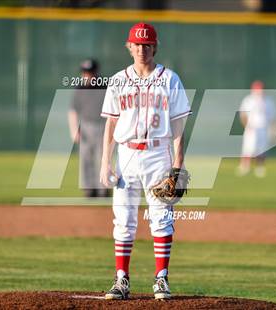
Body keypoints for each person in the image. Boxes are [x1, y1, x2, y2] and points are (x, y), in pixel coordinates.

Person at [99, 22, 191, 300]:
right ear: (129, 47)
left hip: (157, 153)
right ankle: (121, 279)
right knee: (124, 219)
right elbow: (111, 125)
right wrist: (105, 161)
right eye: (137, 44)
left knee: (161, 218)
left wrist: (177, 166)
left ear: (155, 47)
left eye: (147, 44)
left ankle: (161, 279)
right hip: (126, 153)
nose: (142, 49)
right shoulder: (117, 80)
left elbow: (178, 127)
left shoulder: (170, 79)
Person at [68, 59, 109, 197]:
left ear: (96, 72)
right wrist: (74, 130)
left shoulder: (105, 87)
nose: (87, 76)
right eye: (85, 73)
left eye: (90, 73)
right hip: (86, 126)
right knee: (86, 159)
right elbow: (73, 110)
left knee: (103, 158)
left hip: (103, 126)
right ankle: (89, 189)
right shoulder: (80, 89)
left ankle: (103, 189)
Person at [237, 80, 276, 178]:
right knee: (248, 148)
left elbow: (272, 117)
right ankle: (245, 166)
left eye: (261, 90)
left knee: (262, 148)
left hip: (263, 128)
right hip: (251, 128)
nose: (259, 92)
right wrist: (247, 126)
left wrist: (273, 128)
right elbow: (243, 114)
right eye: (257, 90)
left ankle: (260, 167)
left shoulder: (268, 101)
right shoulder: (248, 100)